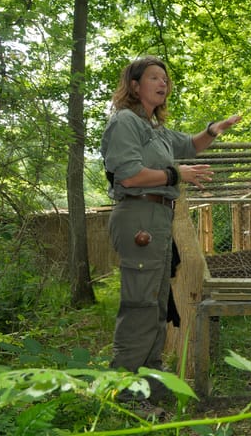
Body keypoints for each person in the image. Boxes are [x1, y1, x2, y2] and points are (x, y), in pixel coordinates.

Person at [100, 56, 242, 407]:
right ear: (134, 86)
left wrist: (213, 131)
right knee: (139, 305)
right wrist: (177, 174)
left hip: (158, 219)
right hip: (138, 217)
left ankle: (150, 381)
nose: (163, 83)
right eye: (153, 78)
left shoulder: (155, 129)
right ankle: (125, 389)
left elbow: (190, 146)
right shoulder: (125, 123)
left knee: (157, 304)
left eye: (165, 78)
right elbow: (130, 176)